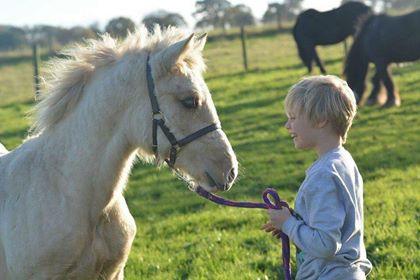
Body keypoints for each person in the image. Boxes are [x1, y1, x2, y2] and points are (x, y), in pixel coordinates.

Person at [262, 75, 372, 279]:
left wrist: (289, 224)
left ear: (321, 120)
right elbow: (334, 221)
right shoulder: (343, 161)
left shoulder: (324, 174)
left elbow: (325, 244)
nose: (287, 125)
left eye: (293, 118)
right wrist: (294, 223)